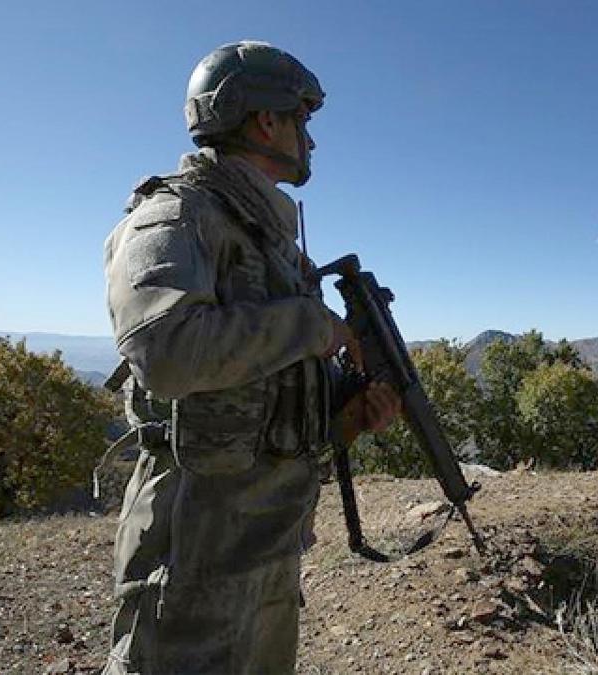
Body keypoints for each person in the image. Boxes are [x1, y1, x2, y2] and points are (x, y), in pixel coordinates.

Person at [101, 40, 401, 674]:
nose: (310, 141)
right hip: (194, 550)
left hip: (267, 540)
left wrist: (348, 412)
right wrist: (311, 324)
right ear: (267, 120)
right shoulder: (173, 216)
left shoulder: (269, 241)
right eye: (303, 121)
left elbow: (268, 393)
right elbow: (168, 353)